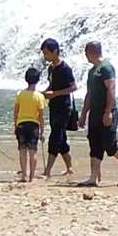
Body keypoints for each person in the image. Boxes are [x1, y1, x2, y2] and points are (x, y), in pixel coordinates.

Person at [78, 40, 118, 187]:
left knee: (109, 143)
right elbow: (89, 94)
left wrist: (108, 112)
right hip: (94, 113)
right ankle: (93, 178)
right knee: (94, 144)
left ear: (91, 52)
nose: (85, 56)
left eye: (86, 53)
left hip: (107, 112)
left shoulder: (107, 68)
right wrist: (83, 114)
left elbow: (111, 90)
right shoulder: (91, 71)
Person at [39, 38, 77, 178]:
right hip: (54, 106)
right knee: (61, 138)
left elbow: (73, 87)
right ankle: (70, 168)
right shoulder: (51, 68)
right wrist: (43, 93)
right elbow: (52, 86)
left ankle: (47, 171)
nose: (45, 57)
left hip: (63, 108)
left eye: (47, 54)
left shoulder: (65, 68)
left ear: (55, 52)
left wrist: (54, 94)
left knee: (55, 137)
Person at [14, 67, 47, 182]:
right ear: (38, 80)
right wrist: (42, 130)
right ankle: (32, 176)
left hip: (21, 124)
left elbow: (16, 112)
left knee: (22, 151)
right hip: (34, 125)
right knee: (33, 151)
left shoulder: (20, 94)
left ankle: (24, 175)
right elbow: (41, 116)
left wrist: (15, 125)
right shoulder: (40, 96)